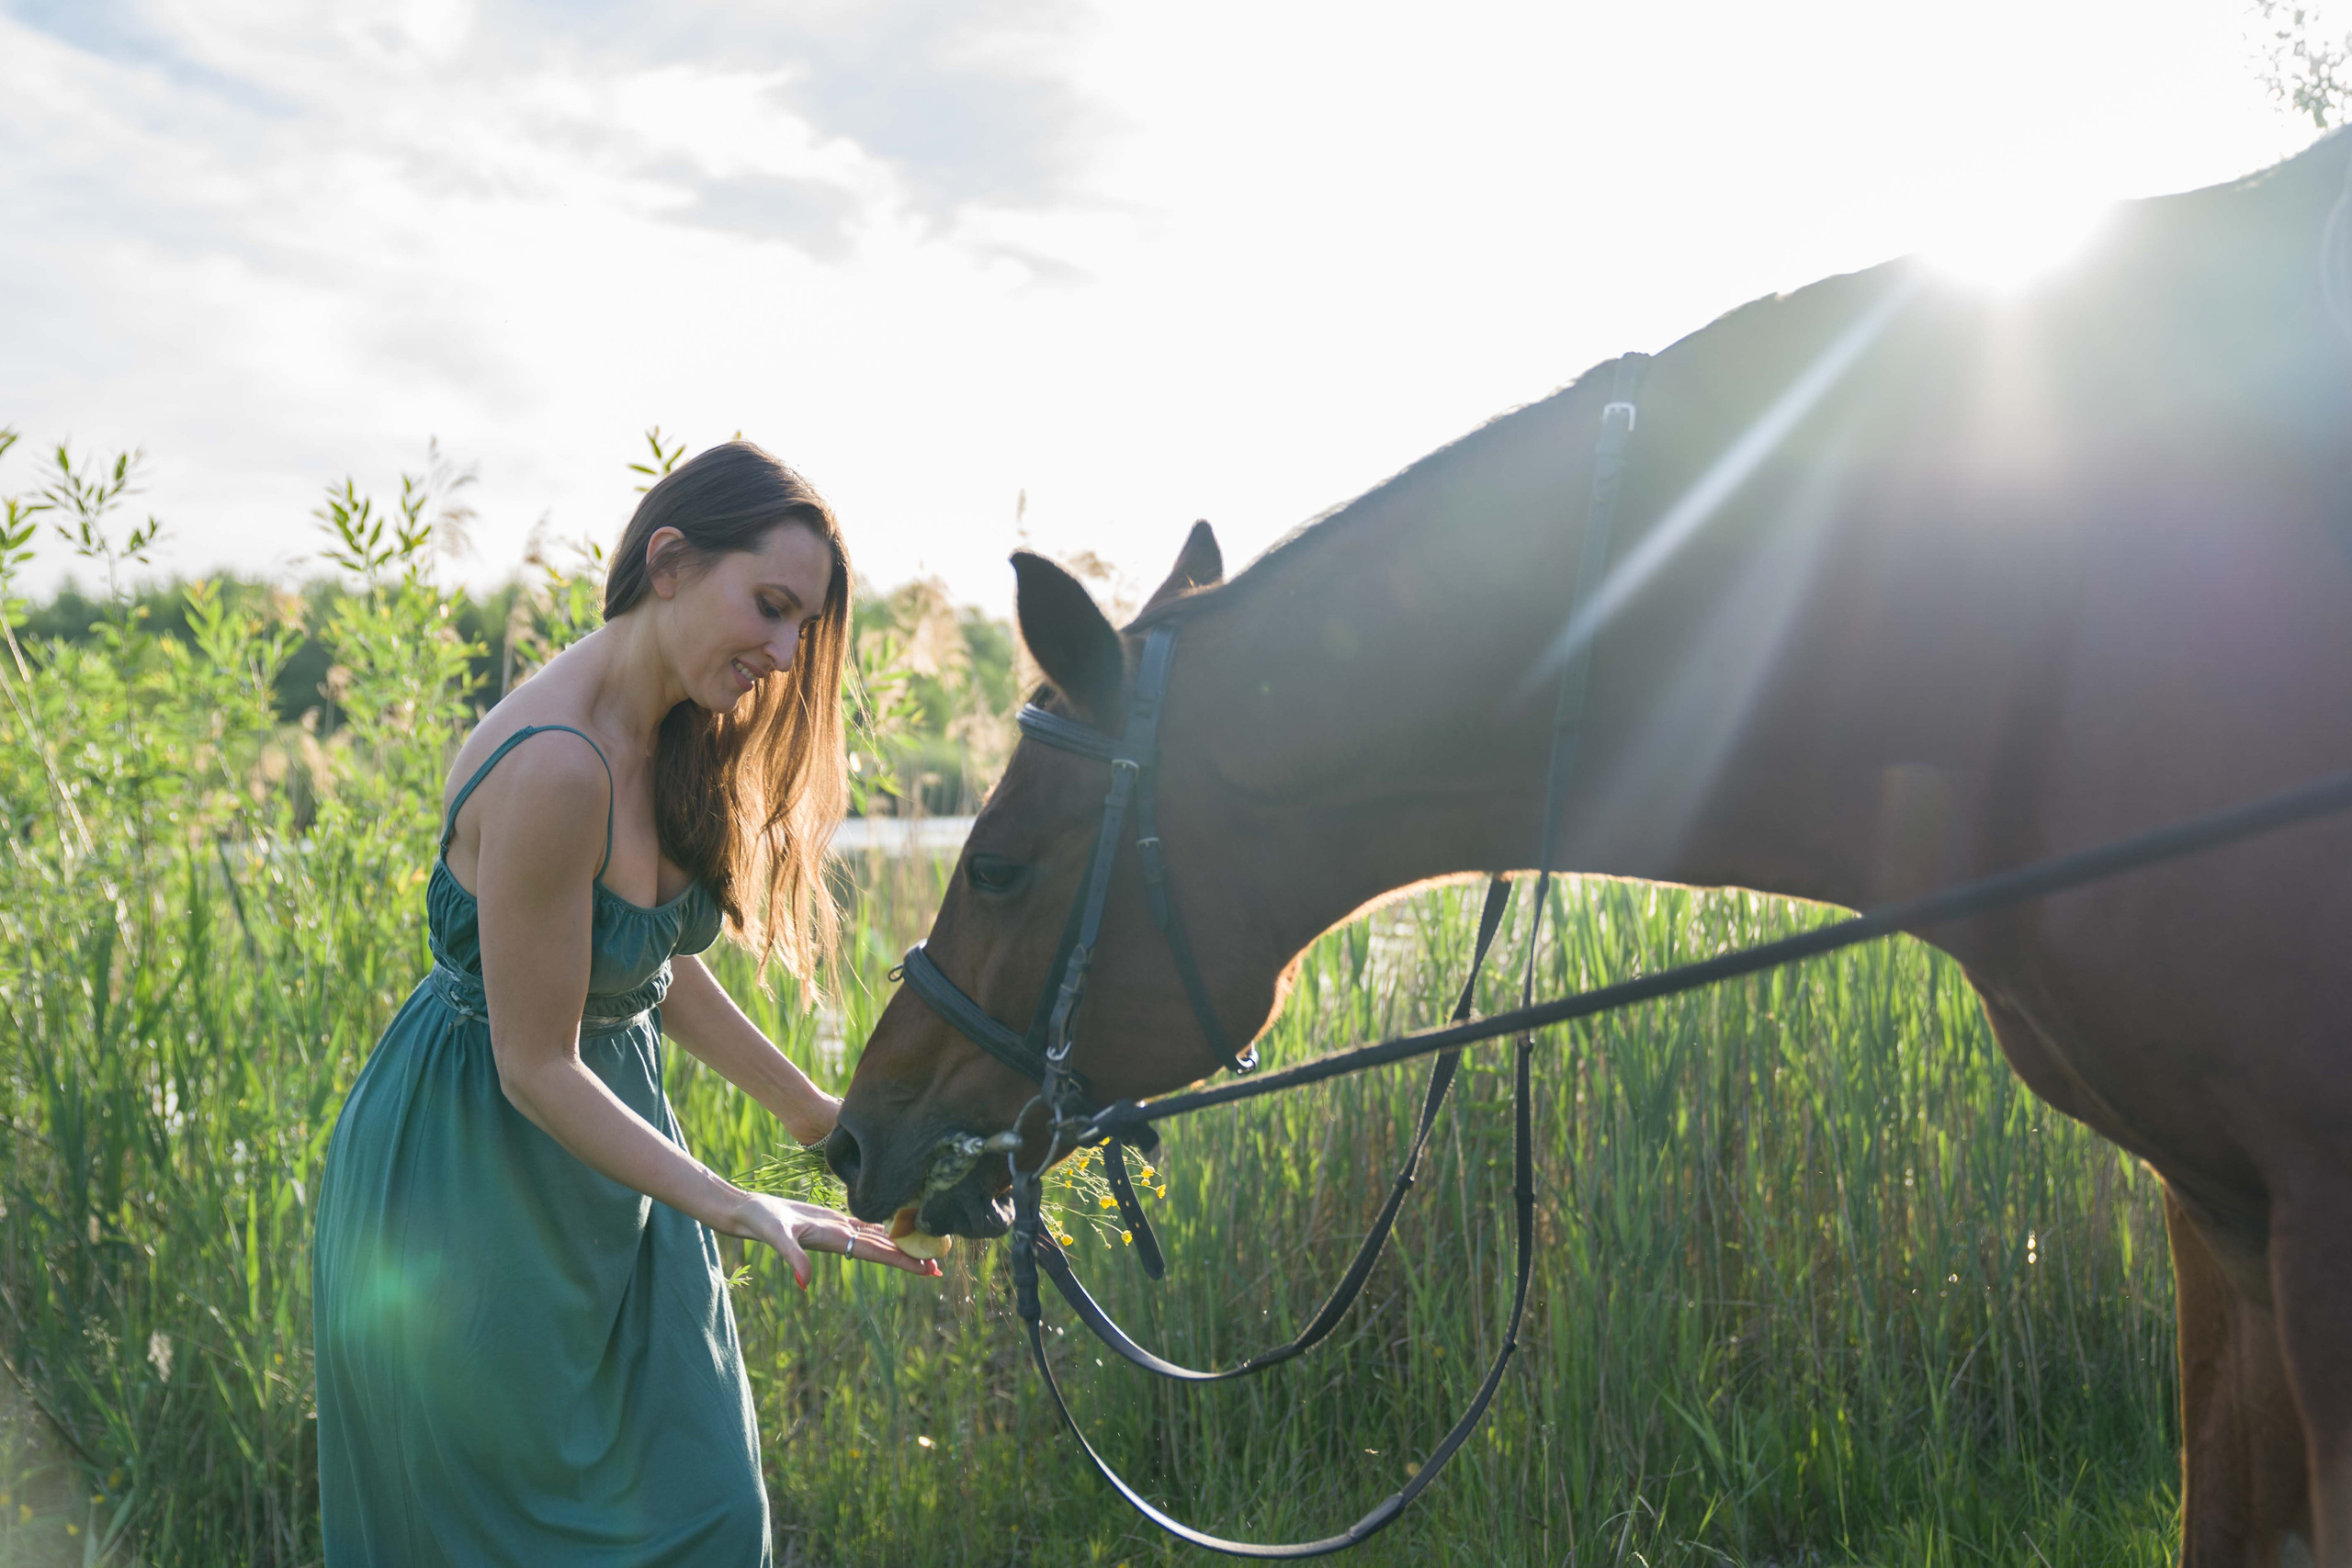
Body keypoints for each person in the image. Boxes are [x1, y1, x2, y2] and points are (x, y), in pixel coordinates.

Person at [311, 441, 934, 1566]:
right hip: (472, 1187)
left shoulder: (672, 735)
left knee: (706, 1514)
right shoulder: (556, 765)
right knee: (508, 1540)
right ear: (670, 562)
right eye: (772, 607)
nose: (786, 654)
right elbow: (536, 1061)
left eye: (803, 628)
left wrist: (813, 1115)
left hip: (616, 1170)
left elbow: (640, 966)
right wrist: (737, 1203)